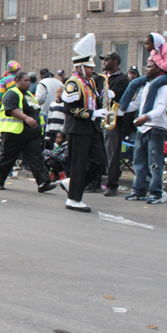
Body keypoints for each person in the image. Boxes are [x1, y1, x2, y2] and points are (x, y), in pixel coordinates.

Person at [58, 34, 107, 212]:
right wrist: (92, 114)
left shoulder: (90, 82)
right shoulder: (73, 83)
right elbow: (70, 108)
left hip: (91, 128)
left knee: (99, 161)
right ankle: (73, 199)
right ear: (80, 67)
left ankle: (72, 184)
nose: (92, 70)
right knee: (78, 165)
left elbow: (93, 102)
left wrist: (105, 98)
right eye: (89, 67)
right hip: (78, 129)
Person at [0, 71, 57, 193]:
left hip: (32, 134)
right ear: (17, 81)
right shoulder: (12, 93)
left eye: (29, 81)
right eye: (25, 81)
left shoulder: (29, 95)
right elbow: (11, 109)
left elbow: (35, 110)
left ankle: (43, 182)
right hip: (15, 133)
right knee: (7, 158)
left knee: (36, 158)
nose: (28, 83)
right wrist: (26, 118)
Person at [124, 60, 167, 204]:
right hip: (142, 127)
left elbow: (161, 108)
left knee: (154, 163)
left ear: (158, 69)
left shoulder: (164, 86)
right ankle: (139, 191)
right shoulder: (146, 85)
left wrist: (146, 117)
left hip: (155, 128)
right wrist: (119, 109)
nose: (146, 69)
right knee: (138, 162)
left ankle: (156, 193)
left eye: (149, 67)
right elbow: (136, 104)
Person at [118, 33, 167, 115]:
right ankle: (122, 107)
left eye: (147, 44)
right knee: (134, 83)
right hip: (159, 74)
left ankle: (146, 112)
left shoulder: (166, 50)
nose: (145, 46)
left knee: (153, 84)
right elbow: (151, 63)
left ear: (155, 43)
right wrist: (153, 58)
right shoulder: (154, 52)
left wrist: (156, 57)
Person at [99, 52, 130, 197]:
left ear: (116, 62)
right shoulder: (101, 78)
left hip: (113, 119)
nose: (104, 62)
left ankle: (112, 184)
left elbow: (115, 97)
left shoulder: (122, 79)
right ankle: (95, 181)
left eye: (107, 60)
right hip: (99, 117)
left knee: (112, 153)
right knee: (98, 152)